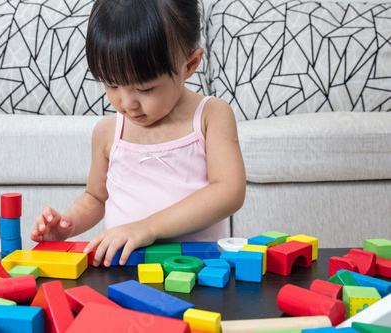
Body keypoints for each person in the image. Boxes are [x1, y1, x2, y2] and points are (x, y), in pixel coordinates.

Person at [30, 0, 246, 267]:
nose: (127, 103)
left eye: (145, 89)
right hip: (124, 267)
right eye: (112, 84)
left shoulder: (211, 116)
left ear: (189, 65)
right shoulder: (108, 132)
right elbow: (96, 197)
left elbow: (229, 192)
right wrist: (68, 224)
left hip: (196, 268)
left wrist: (147, 228)